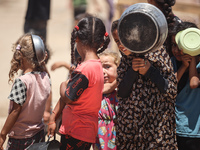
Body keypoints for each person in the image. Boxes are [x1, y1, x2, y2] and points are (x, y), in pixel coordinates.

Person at [111, 20, 178, 149]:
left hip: (157, 131)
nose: (120, 45)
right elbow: (122, 93)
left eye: (123, 39)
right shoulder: (125, 61)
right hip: (130, 132)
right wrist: (132, 71)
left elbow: (171, 91)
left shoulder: (158, 53)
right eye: (117, 41)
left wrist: (150, 71)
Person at [47, 16, 110, 150]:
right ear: (100, 42)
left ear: (77, 39)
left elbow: (68, 97)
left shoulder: (85, 69)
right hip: (85, 131)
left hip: (75, 131)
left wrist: (63, 85)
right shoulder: (96, 65)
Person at [0, 33, 51, 150]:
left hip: (20, 138)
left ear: (21, 55)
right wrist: (42, 60)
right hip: (39, 135)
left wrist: (2, 135)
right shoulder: (46, 78)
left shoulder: (22, 82)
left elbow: (15, 111)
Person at [170, 21, 200, 150]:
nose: (176, 50)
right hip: (175, 128)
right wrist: (183, 66)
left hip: (195, 132)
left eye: (180, 45)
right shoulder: (172, 63)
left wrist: (192, 59)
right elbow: (169, 87)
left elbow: (194, 83)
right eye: (173, 45)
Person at [93, 51, 120, 150]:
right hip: (99, 140)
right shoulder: (95, 88)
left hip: (118, 137)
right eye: (99, 68)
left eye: (107, 67)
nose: (103, 71)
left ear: (119, 68)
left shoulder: (122, 89)